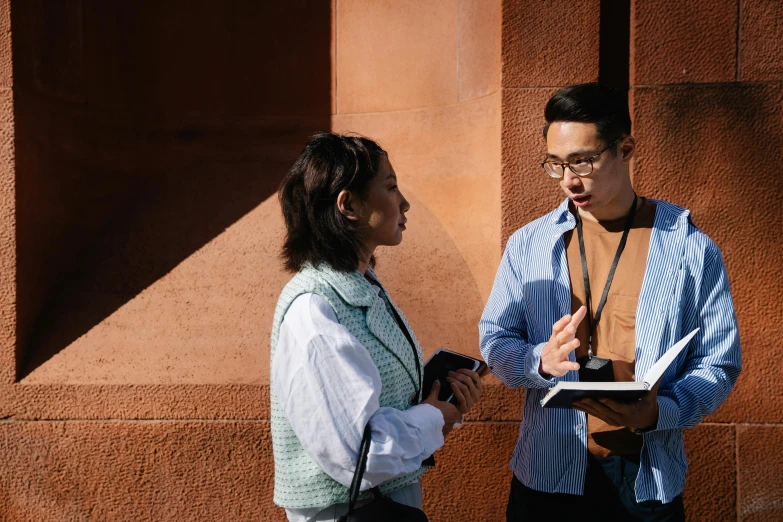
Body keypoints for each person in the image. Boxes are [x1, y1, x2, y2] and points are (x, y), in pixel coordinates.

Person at [479, 83, 741, 521]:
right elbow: (495, 340)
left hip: (645, 478)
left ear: (625, 148)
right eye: (556, 164)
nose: (569, 180)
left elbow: (719, 362)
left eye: (582, 160)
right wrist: (538, 360)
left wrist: (660, 410)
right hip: (548, 475)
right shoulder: (528, 244)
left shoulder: (690, 247)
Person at [271, 132, 484, 521]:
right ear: (348, 204)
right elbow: (360, 454)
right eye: (390, 187)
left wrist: (439, 405)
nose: (404, 203)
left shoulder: (362, 285)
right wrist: (435, 418)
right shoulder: (314, 310)